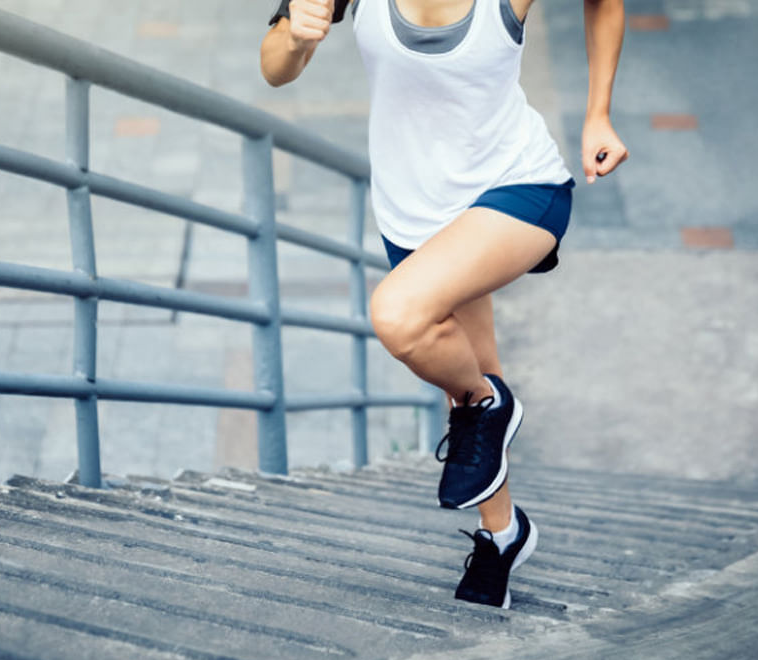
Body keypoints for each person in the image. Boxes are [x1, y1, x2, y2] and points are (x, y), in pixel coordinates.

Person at [260, 0, 627, 608]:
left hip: (516, 183)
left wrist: (598, 115)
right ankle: (502, 534)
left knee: (403, 318)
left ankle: (490, 405)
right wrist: (298, 38)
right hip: (415, 212)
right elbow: (274, 65)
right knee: (466, 367)